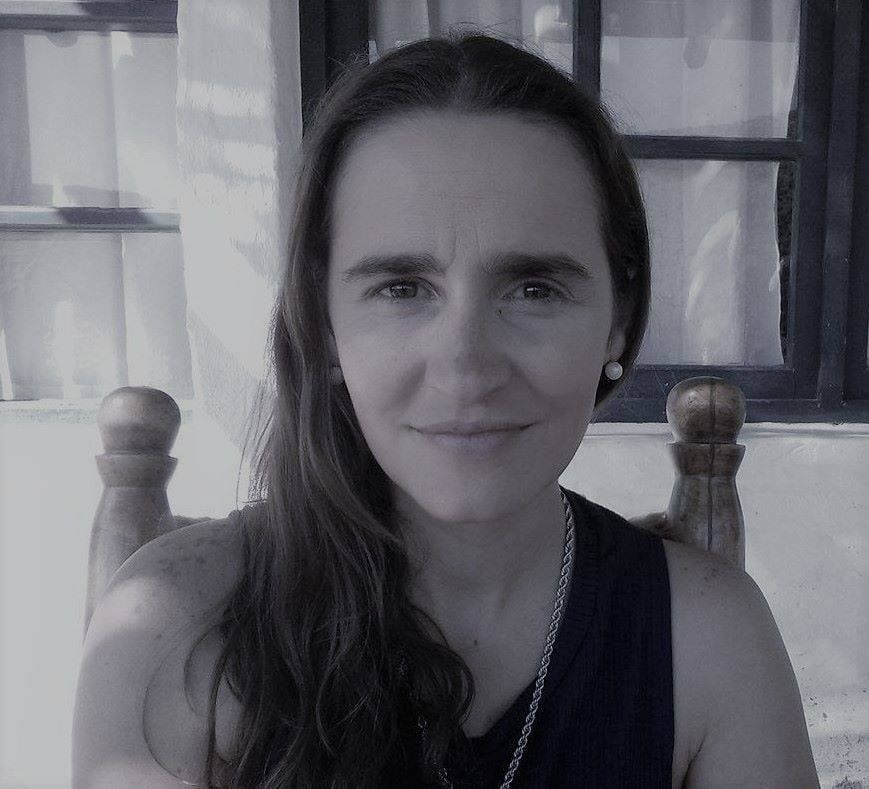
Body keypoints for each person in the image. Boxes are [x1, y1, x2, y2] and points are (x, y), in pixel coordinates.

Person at [72, 31, 820, 788]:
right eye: (401, 288)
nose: (466, 366)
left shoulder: (711, 641)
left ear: (617, 322)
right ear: (325, 324)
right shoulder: (172, 632)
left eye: (533, 288)